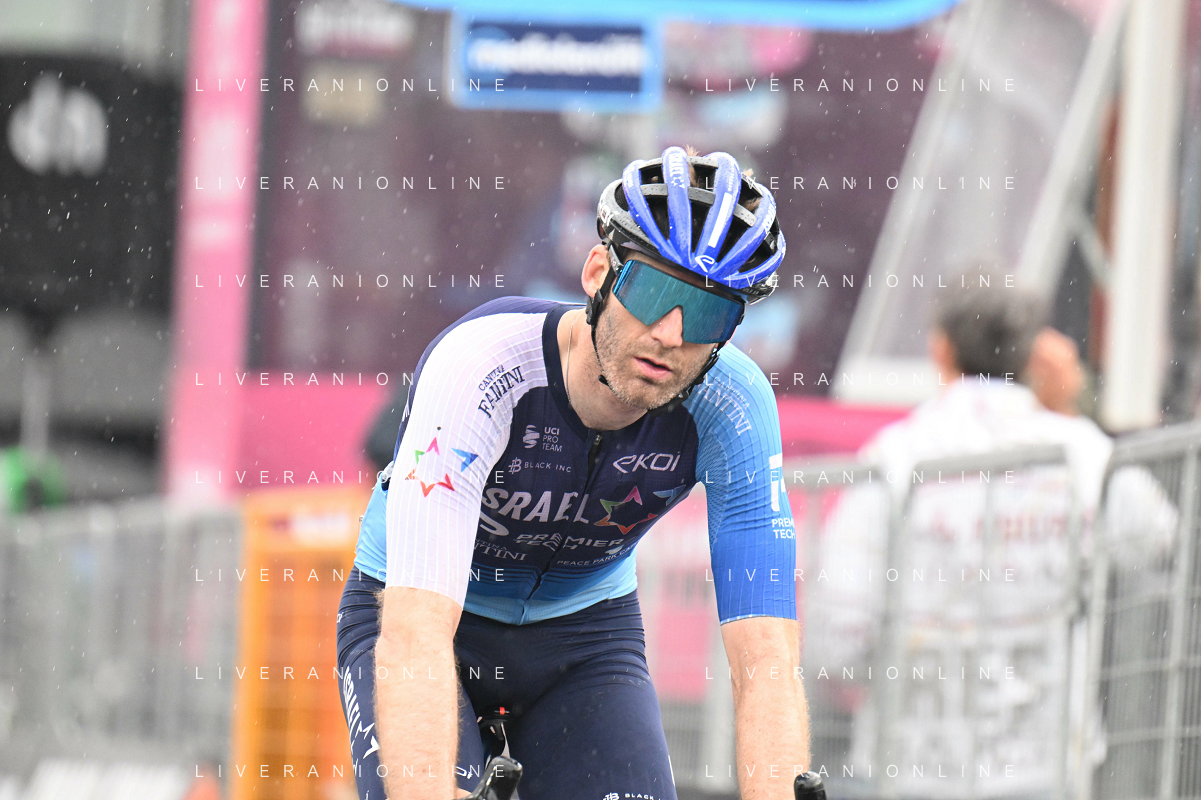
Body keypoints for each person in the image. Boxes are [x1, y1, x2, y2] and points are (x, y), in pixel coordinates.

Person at [338, 146, 811, 800]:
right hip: (429, 617)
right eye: (653, 293)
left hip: (586, 638)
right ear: (597, 274)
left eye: (707, 313)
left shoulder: (734, 406)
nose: (670, 334)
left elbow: (766, 662)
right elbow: (416, 634)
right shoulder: (480, 367)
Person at [806, 273, 1175, 797]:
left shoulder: (893, 457)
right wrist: (1073, 409)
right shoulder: (1083, 452)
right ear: (1032, 353)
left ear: (941, 347)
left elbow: (838, 638)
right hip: (1046, 772)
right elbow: (1158, 539)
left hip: (909, 767)